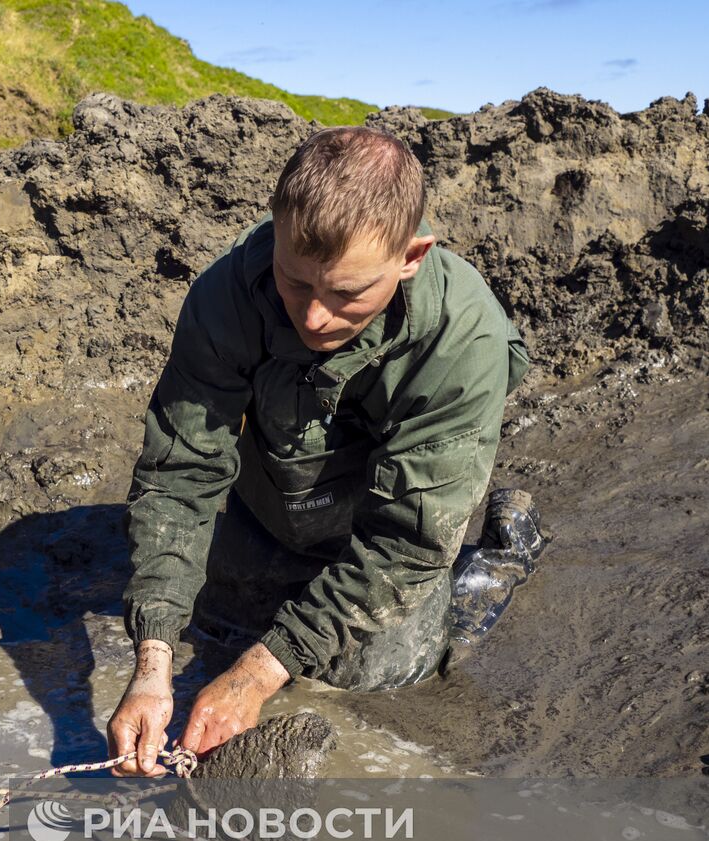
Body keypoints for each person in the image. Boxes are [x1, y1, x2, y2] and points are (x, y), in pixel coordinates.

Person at [107, 126, 544, 777]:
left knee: (371, 679)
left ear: (411, 256)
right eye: (294, 283)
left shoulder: (463, 338)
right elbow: (181, 476)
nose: (314, 317)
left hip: (392, 527)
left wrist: (255, 676)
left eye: (346, 294)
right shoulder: (227, 292)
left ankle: (493, 567)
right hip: (280, 504)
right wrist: (152, 663)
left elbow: (406, 547)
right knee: (211, 624)